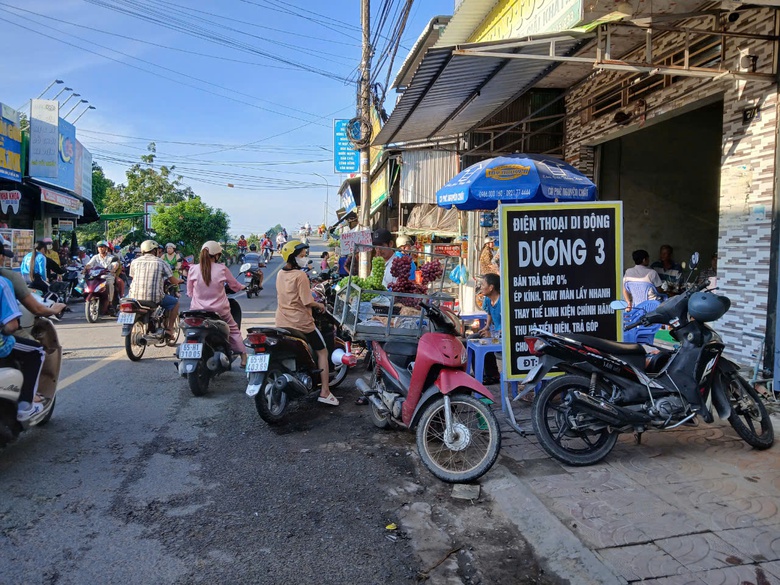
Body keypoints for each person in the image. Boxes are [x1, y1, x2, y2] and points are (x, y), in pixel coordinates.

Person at [276, 239, 338, 406]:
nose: (304, 257)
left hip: (282, 322)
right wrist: (319, 305)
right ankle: (325, 391)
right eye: (302, 255)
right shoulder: (300, 275)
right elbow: (306, 301)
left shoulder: (280, 274)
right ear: (292, 257)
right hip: (301, 323)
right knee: (323, 351)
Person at [187, 241, 247, 368]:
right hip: (219, 310)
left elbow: (189, 292)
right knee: (234, 329)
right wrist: (243, 287)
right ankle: (243, 357)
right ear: (217, 255)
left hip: (196, 311)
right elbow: (234, 286)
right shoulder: (222, 269)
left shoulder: (193, 269)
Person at [128, 240, 181, 339]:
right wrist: (178, 281)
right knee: (175, 303)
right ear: (155, 250)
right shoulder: (161, 262)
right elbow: (173, 280)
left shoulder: (134, 262)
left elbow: (133, 277)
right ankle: (170, 329)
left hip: (134, 297)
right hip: (154, 297)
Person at [470, 273, 502, 385]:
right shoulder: (488, 300)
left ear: (491, 287)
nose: (481, 287)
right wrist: (487, 326)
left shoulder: (503, 301)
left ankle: (492, 375)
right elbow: (489, 312)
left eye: (483, 284)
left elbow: (506, 327)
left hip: (503, 336)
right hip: (495, 332)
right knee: (472, 338)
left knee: (483, 342)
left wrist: (492, 335)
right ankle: (480, 374)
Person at [85, 240, 121, 311]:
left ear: (106, 248)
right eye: (99, 247)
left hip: (108, 275)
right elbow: (89, 264)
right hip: (97, 276)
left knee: (109, 283)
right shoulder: (95, 257)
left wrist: (113, 270)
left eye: (102, 247)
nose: (100, 249)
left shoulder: (111, 257)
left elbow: (115, 265)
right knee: (86, 282)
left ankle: (110, 303)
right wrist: (85, 268)